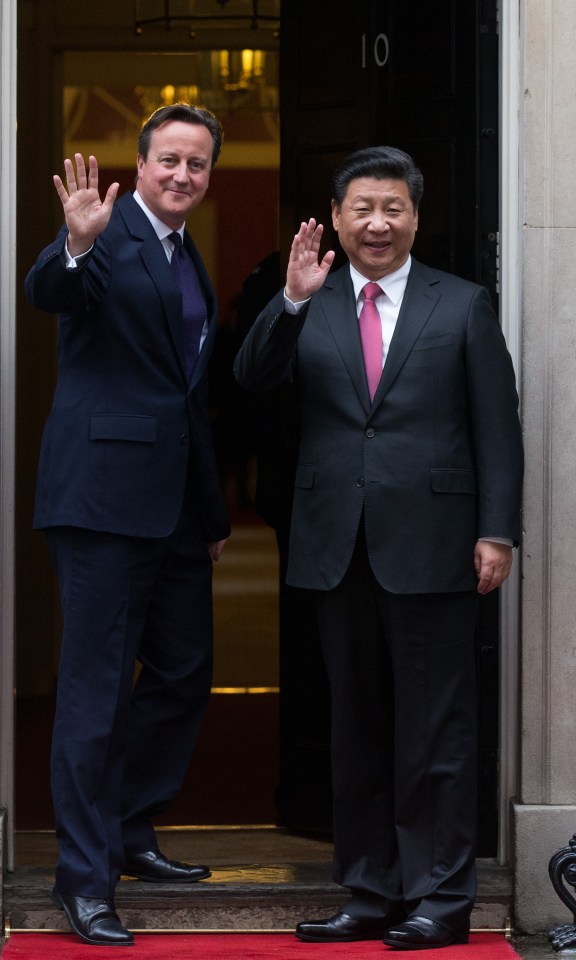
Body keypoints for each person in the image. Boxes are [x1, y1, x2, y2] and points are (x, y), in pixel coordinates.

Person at [234, 146, 523, 951]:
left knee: (434, 729)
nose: (377, 223)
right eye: (362, 208)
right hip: (337, 546)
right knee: (354, 727)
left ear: (416, 218)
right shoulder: (312, 300)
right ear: (335, 217)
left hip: (435, 545)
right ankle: (367, 890)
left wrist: (496, 530)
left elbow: (497, 430)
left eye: (393, 208)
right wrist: (289, 300)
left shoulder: (461, 305)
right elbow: (251, 379)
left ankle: (439, 897)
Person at [24, 102, 230, 947]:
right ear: (141, 165)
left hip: (177, 508)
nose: (183, 175)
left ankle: (132, 828)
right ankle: (84, 880)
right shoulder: (106, 233)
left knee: (183, 672)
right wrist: (73, 241)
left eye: (198, 164)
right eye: (170, 160)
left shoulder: (186, 255)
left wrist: (210, 508)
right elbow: (53, 289)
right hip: (103, 502)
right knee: (96, 692)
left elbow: (186, 392)